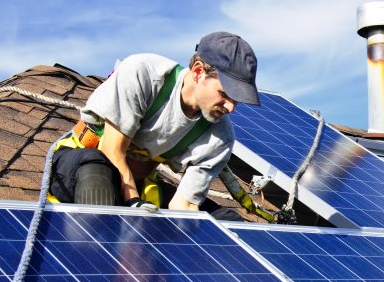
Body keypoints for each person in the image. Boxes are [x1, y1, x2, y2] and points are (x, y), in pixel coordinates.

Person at [49, 32, 274, 220]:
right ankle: (97, 262)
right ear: (198, 72)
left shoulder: (220, 137)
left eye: (238, 100)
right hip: (80, 165)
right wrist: (134, 205)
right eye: (225, 94)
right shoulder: (144, 74)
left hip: (140, 184)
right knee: (98, 171)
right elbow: (111, 150)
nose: (231, 107)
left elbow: (184, 206)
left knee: (223, 221)